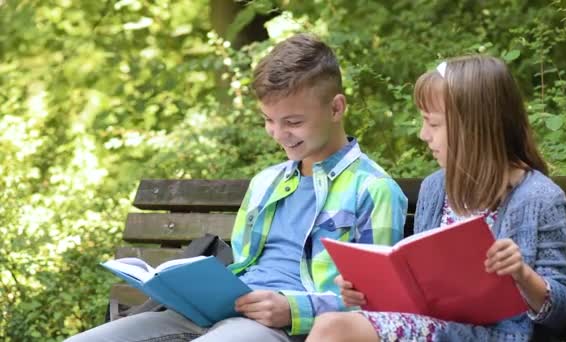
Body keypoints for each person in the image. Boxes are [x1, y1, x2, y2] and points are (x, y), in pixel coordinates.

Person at [65, 33, 407, 342]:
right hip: (217, 315)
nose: (278, 134)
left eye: (293, 122)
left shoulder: (374, 190)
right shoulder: (265, 184)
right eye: (268, 120)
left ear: (336, 108)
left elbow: (374, 305)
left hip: (283, 326)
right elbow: (243, 264)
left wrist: (294, 309)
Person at [306, 55, 566, 342]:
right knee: (334, 324)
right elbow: (421, 289)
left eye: (432, 124)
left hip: (497, 336)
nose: (423, 135)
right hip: (433, 328)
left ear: (473, 127)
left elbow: (561, 313)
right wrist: (365, 293)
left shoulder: (539, 197)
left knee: (334, 329)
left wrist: (521, 274)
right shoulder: (436, 188)